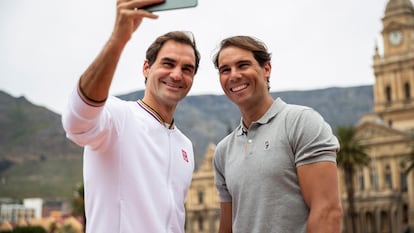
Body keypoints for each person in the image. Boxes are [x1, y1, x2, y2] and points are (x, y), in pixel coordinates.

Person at [61, 0, 200, 232]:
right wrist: (118, 39)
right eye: (168, 63)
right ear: (147, 68)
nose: (177, 74)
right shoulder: (119, 116)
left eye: (187, 69)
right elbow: (76, 123)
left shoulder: (185, 145)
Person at [211, 35, 343, 233]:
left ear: (266, 69)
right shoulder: (222, 151)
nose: (234, 75)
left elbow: (327, 212)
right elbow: (228, 227)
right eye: (225, 70)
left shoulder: (301, 123)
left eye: (243, 65)